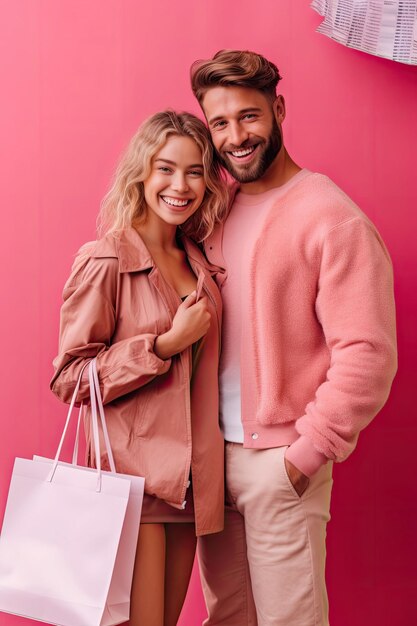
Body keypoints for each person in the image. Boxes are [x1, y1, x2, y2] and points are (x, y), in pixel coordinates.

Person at [190, 50, 397, 626]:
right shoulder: (216, 212)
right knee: (228, 618)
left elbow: (368, 353)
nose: (236, 136)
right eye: (221, 123)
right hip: (211, 459)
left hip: (280, 462)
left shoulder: (330, 216)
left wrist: (306, 454)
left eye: (249, 116)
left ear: (278, 109)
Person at [50, 110, 228, 626]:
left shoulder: (199, 262)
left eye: (195, 171)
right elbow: (70, 378)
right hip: (131, 479)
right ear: (142, 173)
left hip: (189, 481)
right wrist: (165, 343)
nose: (180, 185)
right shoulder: (107, 259)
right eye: (165, 169)